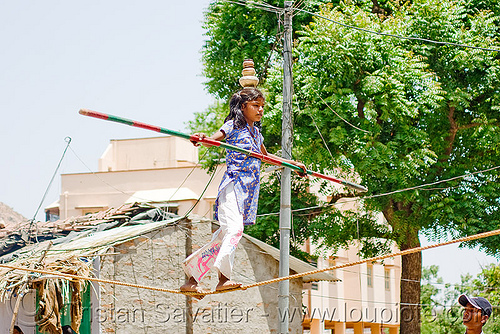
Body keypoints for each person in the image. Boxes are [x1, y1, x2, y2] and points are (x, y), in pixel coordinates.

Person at [180, 87, 306, 297]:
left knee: (222, 238)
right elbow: (213, 139)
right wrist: (202, 138)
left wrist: (293, 165)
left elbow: (267, 158)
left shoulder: (256, 133)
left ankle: (192, 280)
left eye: (262, 106)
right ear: (243, 106)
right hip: (232, 187)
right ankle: (223, 279)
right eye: (256, 106)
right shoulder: (233, 126)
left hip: (248, 192)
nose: (260, 110)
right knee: (235, 230)